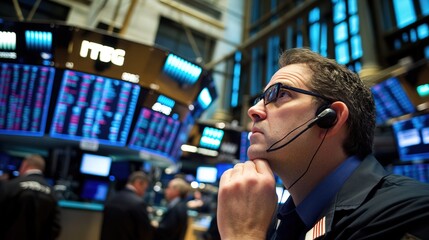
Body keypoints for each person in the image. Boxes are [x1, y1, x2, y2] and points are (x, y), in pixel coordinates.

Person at [217, 48, 429, 240]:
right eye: (261, 98)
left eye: (280, 94)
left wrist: (244, 236)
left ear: (330, 118)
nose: (253, 111)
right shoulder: (288, 220)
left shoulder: (408, 213)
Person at [0, 154, 61, 240]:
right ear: (41, 169)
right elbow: (55, 227)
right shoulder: (52, 192)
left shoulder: (10, 186)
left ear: (24, 165)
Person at [100, 171, 154, 240]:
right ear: (138, 183)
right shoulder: (138, 203)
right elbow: (145, 234)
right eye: (144, 189)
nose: (143, 193)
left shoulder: (112, 199)